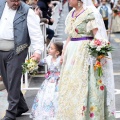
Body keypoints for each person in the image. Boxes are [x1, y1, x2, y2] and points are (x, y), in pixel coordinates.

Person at [56, 0, 116, 119]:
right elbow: (70, 36)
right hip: (71, 52)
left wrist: (98, 47)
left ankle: (86, 115)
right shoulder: (71, 14)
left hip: (84, 53)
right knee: (71, 84)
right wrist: (63, 53)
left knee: (86, 83)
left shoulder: (89, 13)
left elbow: (96, 34)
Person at [0, 0, 44, 120]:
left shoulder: (27, 11)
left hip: (17, 50)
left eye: (17, 0)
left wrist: (37, 51)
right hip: (1, 50)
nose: (16, 3)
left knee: (13, 81)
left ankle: (11, 112)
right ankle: (22, 106)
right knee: (8, 82)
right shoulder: (0, 5)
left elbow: (36, 33)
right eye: (13, 0)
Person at [30, 41, 63, 120]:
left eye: (51, 49)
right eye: (49, 48)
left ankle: (56, 113)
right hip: (48, 81)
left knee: (55, 96)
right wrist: (35, 60)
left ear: (57, 52)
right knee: (45, 96)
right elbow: (41, 62)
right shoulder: (48, 58)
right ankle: (45, 113)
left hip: (58, 81)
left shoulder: (60, 60)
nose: (49, 50)